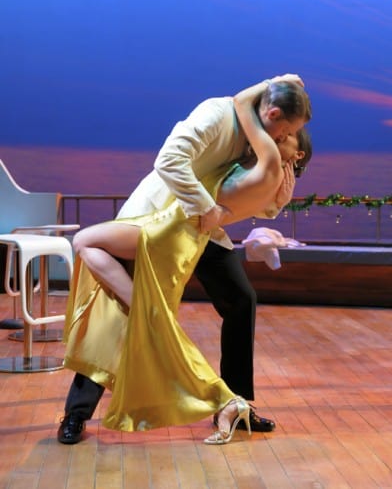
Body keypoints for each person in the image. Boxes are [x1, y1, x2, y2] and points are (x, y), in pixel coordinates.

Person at [58, 75, 312, 444]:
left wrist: (272, 196)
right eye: (288, 130)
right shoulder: (217, 114)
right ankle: (76, 414)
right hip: (158, 220)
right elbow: (169, 161)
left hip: (202, 229)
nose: (285, 138)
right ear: (272, 113)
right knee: (120, 314)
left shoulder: (258, 136)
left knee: (241, 301)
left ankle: (235, 404)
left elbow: (246, 195)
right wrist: (207, 208)